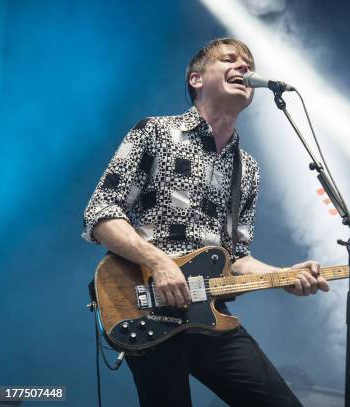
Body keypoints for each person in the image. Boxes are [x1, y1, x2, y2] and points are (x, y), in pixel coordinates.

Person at [82, 37, 329, 407]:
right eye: (230, 60)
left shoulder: (247, 169)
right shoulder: (156, 133)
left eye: (249, 63)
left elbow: (237, 256)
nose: (245, 67)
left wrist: (285, 276)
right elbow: (101, 212)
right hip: (150, 307)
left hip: (211, 313)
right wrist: (159, 262)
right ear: (196, 79)